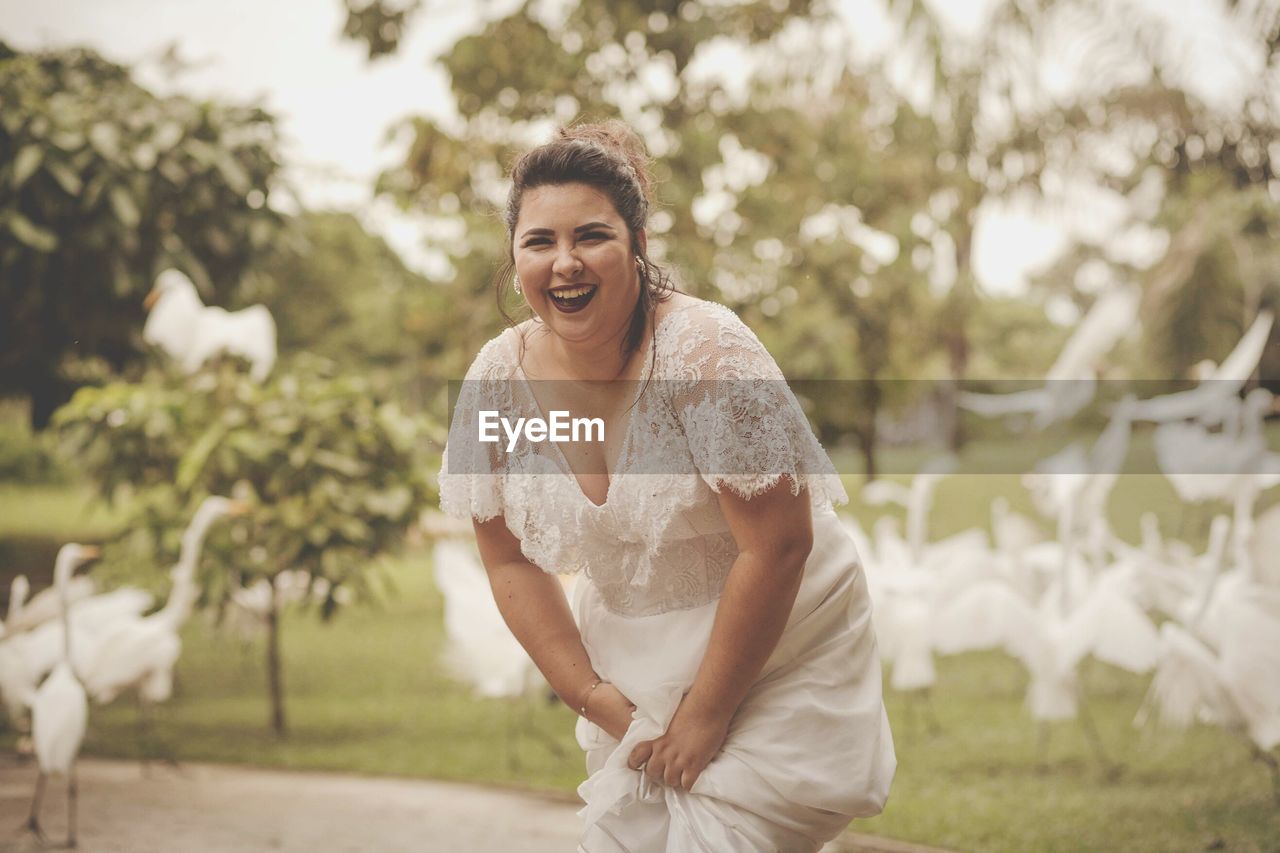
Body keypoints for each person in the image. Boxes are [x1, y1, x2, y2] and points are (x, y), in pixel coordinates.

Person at [439, 120, 895, 852]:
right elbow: (508, 557)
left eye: (591, 236)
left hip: (777, 646)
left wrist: (706, 713)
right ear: (513, 256)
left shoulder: (705, 354)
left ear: (638, 243)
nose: (565, 263)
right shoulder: (500, 386)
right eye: (539, 242)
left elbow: (779, 544)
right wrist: (589, 693)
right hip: (635, 669)